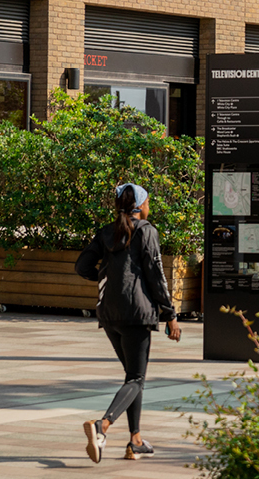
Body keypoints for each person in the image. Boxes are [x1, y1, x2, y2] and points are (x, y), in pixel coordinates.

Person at [75, 182, 181, 463]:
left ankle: (135, 440)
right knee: (136, 377)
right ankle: (102, 427)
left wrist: (105, 278)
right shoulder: (146, 231)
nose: (149, 207)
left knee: (133, 377)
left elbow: (82, 266)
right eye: (148, 202)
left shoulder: (107, 232)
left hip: (109, 314)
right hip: (137, 313)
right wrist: (170, 314)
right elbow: (156, 275)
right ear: (141, 206)